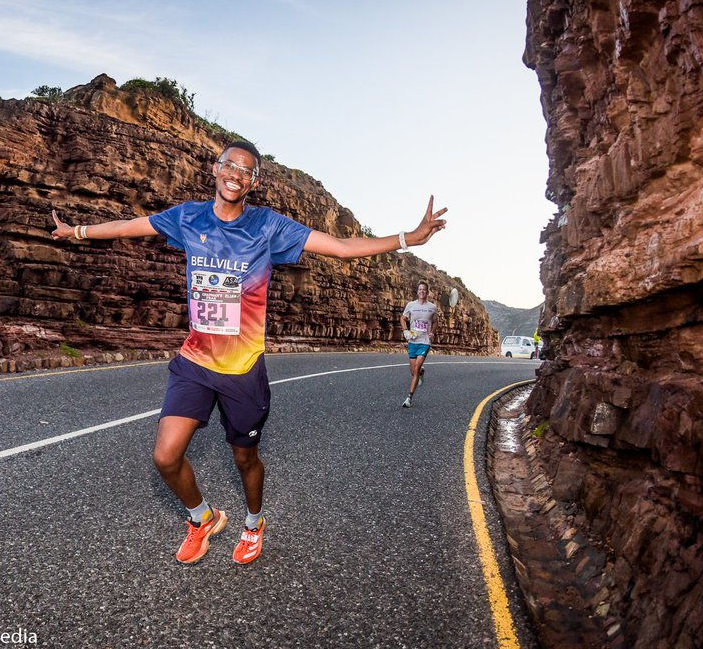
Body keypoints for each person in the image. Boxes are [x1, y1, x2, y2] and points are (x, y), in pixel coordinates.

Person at [50, 141, 446, 565]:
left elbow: (340, 246)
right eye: (229, 165)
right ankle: (201, 518)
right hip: (195, 362)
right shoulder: (187, 217)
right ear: (215, 168)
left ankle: (254, 522)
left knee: (245, 459)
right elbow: (132, 226)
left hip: (242, 370)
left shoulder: (267, 227)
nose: (235, 174)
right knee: (166, 456)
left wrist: (409, 238)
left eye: (246, 171)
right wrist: (76, 232)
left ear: (254, 181)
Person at [400, 281, 439, 408]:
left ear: (427, 292)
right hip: (413, 340)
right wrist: (405, 330)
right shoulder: (411, 305)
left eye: (424, 290)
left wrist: (432, 332)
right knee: (413, 371)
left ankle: (409, 398)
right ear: (417, 291)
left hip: (424, 341)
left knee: (415, 368)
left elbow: (435, 321)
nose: (422, 291)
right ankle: (421, 372)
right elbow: (403, 318)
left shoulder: (432, 307)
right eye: (420, 289)